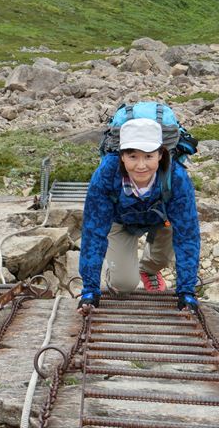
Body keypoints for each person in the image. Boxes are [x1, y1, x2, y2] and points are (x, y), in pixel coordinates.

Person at [77, 117, 201, 314]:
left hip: (161, 220)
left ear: (160, 154)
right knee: (124, 285)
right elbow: (94, 232)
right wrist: (90, 289)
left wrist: (186, 291)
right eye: (133, 156)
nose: (141, 165)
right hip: (120, 222)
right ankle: (115, 271)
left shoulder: (176, 177)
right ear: (122, 156)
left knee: (162, 257)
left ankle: (148, 269)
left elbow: (187, 235)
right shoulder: (107, 174)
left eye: (148, 156)